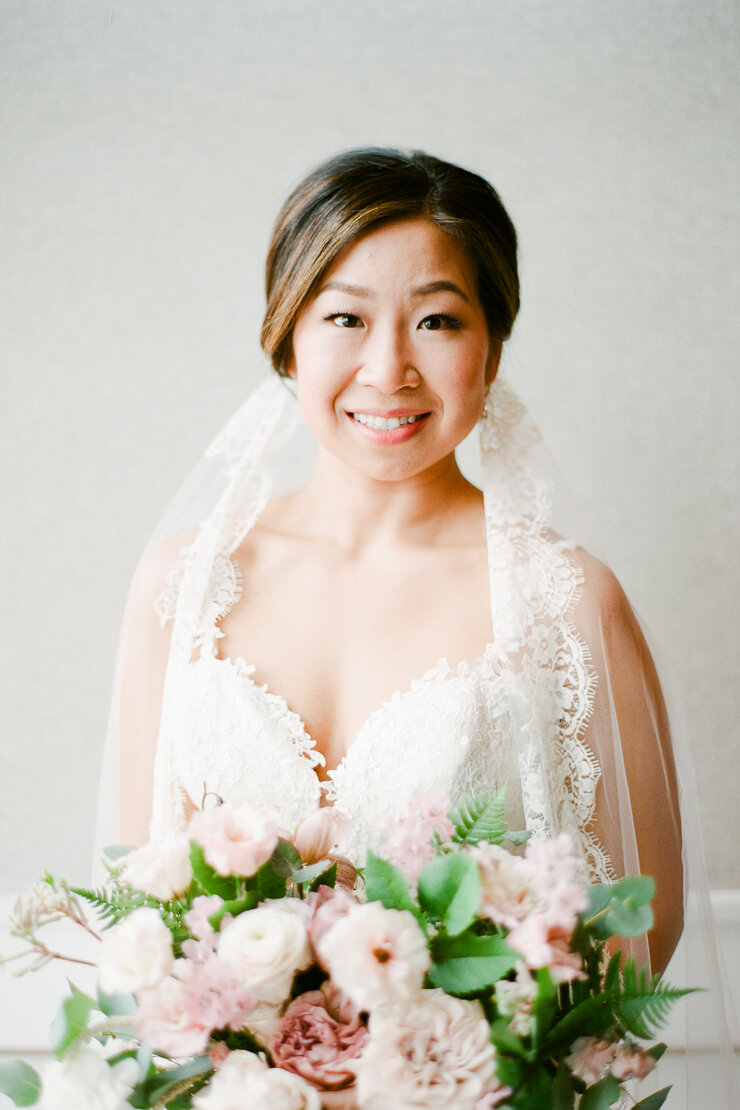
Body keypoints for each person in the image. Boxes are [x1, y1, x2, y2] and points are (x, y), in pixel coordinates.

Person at [97, 149, 735, 1099]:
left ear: (493, 347)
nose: (388, 367)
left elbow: (637, 934)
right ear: (287, 340)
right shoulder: (185, 588)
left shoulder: (568, 601)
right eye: (345, 318)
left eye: (437, 320)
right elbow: (139, 907)